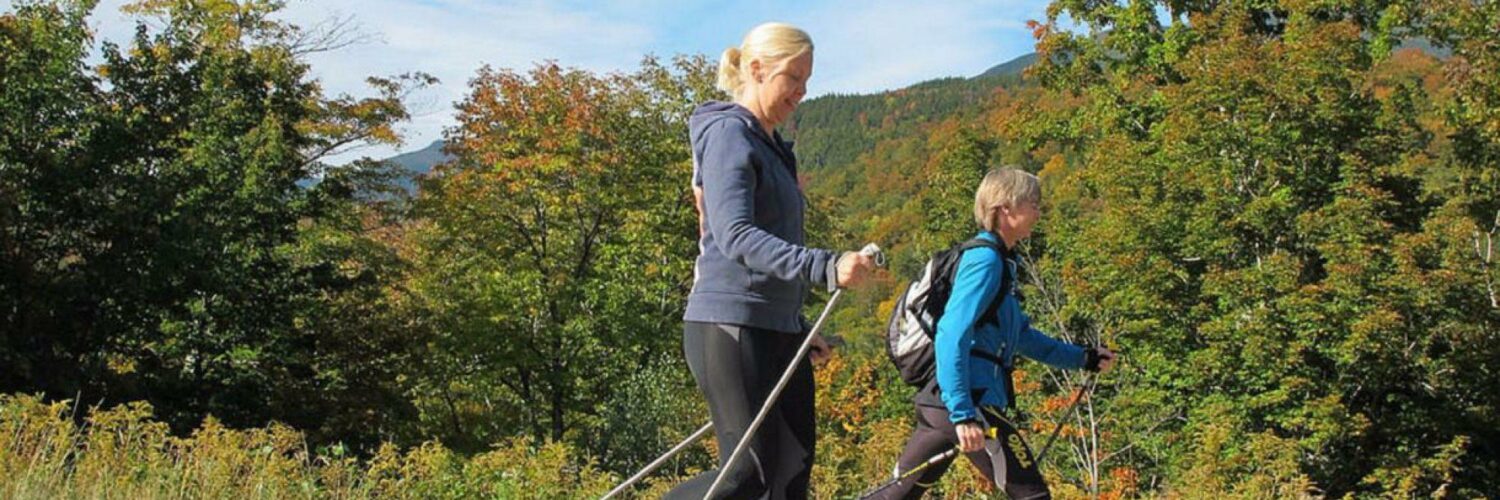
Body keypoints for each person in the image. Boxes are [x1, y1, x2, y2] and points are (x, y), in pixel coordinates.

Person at [667, 22, 877, 499]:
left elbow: (771, 244)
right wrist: (825, 265)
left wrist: (797, 325)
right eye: (793, 78)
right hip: (729, 321)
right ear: (757, 70)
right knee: (747, 476)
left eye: (807, 81)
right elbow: (736, 236)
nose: (801, 92)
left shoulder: (774, 148)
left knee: (790, 475)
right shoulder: (728, 135)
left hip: (775, 325)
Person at [870, 168, 1117, 500]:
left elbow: (1023, 338)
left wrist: (1083, 358)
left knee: (893, 497)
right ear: (1005, 208)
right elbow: (951, 333)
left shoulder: (1000, 262)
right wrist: (963, 413)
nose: (1038, 212)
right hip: (970, 404)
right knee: (1032, 496)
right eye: (1032, 203)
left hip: (943, 403)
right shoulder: (985, 261)